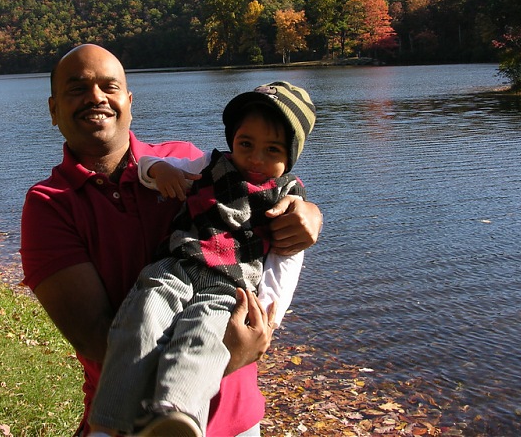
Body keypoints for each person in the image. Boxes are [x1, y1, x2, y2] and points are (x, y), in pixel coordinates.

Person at [20, 44, 323, 436]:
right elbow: (98, 339)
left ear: (129, 100)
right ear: (53, 108)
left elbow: (257, 199)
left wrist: (308, 212)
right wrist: (229, 357)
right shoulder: (49, 205)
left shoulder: (187, 162)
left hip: (235, 422)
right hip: (126, 425)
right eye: (76, 88)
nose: (96, 97)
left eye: (109, 86)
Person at [88, 81, 316, 437]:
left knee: (201, 340)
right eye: (246, 144)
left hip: (227, 288)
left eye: (272, 149)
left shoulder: (285, 201)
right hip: (174, 267)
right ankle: (108, 421)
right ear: (232, 140)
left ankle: (176, 414)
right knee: (141, 320)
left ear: (290, 156)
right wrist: (160, 172)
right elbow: (148, 165)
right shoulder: (210, 164)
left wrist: (267, 316)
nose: (256, 158)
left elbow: (285, 263)